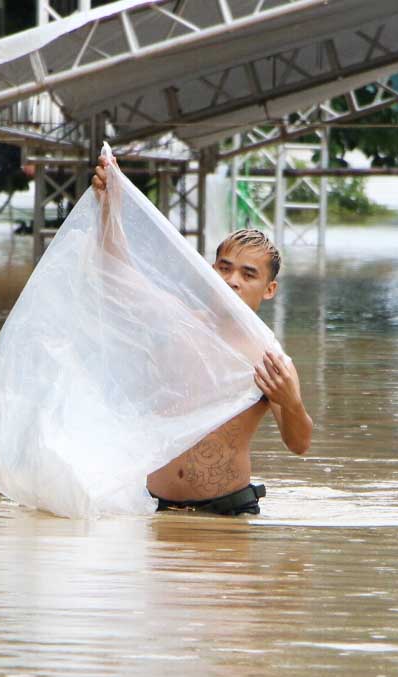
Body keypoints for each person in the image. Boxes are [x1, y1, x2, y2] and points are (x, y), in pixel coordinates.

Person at [91, 151, 312, 515]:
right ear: (211, 270)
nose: (232, 281)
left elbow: (300, 444)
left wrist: (291, 402)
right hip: (155, 510)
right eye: (224, 269)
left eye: (248, 274)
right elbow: (117, 277)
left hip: (226, 513)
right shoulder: (176, 322)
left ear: (269, 289)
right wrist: (109, 206)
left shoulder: (268, 357)